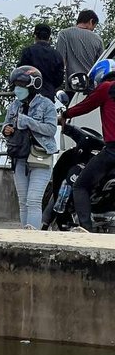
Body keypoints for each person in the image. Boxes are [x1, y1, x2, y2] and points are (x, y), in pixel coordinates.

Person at [61, 58, 115, 232]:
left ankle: (86, 231)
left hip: (112, 150)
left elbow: (85, 105)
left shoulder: (106, 88)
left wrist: (65, 114)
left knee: (81, 186)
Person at [1, 66, 58, 230]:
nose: (17, 90)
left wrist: (28, 122)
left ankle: (34, 238)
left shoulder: (47, 105)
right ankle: (24, 236)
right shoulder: (14, 105)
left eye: (21, 86)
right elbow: (6, 124)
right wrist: (6, 129)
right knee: (23, 200)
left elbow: (51, 129)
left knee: (34, 199)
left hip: (40, 156)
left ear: (33, 85)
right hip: (19, 156)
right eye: (16, 86)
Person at [56, 10, 104, 92]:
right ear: (91, 21)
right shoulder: (98, 39)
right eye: (94, 27)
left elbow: (60, 62)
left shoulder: (64, 34)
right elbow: (101, 66)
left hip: (72, 86)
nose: (92, 30)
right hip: (91, 88)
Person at [18, 23, 65, 100]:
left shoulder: (28, 51)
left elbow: (20, 73)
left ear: (35, 36)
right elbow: (59, 79)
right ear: (49, 37)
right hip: (49, 95)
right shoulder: (57, 55)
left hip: (30, 95)